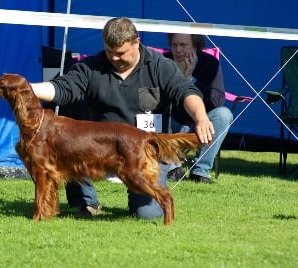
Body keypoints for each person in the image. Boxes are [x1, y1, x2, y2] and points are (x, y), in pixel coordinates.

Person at [30, 17, 214, 219]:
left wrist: (201, 118)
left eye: (120, 53)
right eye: (110, 52)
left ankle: (150, 200)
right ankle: (86, 203)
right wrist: (26, 88)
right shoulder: (92, 66)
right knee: (73, 145)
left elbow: (186, 92)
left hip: (142, 150)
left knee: (147, 214)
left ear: (136, 42)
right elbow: (62, 88)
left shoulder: (160, 65)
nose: (114, 58)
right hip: (99, 148)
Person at [163, 33, 233, 184]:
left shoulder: (210, 63)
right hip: (171, 124)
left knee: (223, 114)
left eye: (183, 45)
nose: (178, 50)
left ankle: (200, 171)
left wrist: (189, 79)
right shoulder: (163, 62)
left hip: (200, 125)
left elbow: (218, 100)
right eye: (174, 45)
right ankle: (173, 168)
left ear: (195, 45)